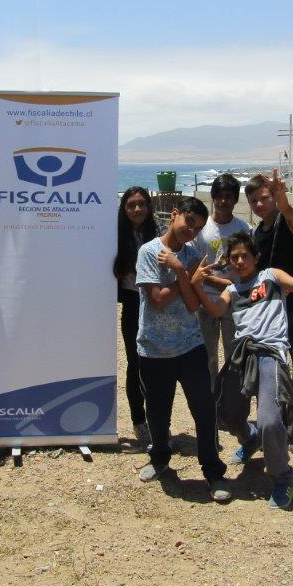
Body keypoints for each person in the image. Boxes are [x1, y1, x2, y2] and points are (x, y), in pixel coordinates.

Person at [192, 232, 293, 509]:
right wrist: (197, 285)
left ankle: (282, 478)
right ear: (229, 263)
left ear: (256, 258)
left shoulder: (272, 276)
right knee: (228, 414)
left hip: (270, 356)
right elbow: (216, 310)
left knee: (269, 420)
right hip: (242, 356)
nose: (240, 261)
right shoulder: (231, 290)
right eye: (234, 258)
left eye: (245, 255)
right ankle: (250, 438)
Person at [134, 196, 231, 503]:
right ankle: (160, 457)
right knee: (158, 411)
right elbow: (158, 299)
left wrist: (179, 269)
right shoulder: (148, 252)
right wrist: (185, 277)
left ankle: (214, 471)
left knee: (204, 409)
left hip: (190, 346)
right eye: (189, 221)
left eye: (198, 227)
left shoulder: (192, 256)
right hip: (154, 348)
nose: (191, 230)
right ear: (174, 214)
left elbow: (192, 305)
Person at [245, 170, 293, 462]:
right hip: (267, 315)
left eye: (264, 198)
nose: (260, 204)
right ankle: (273, 430)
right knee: (269, 372)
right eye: (254, 201)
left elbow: (290, 215)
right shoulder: (256, 234)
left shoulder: (288, 222)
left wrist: (283, 201)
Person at [192, 173, 251, 378]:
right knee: (207, 356)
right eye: (219, 196)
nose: (224, 201)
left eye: (229, 196)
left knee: (234, 352)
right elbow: (192, 266)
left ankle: (231, 398)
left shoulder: (244, 229)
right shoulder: (201, 230)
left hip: (235, 300)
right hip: (205, 300)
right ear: (213, 198)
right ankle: (211, 400)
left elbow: (252, 264)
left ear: (236, 199)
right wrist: (214, 280)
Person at [113, 187, 159, 446]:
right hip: (132, 303)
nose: (137, 209)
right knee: (135, 363)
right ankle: (139, 420)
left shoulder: (158, 233)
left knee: (155, 365)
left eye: (141, 204)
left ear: (149, 207)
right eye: (131, 205)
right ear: (124, 209)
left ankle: (157, 419)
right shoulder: (115, 236)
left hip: (156, 303)